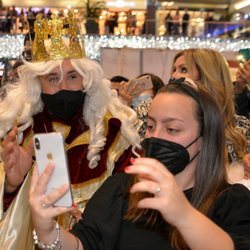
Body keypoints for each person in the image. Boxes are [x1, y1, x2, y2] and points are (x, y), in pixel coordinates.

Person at [29, 79, 250, 250]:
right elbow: (84, 244)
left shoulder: (231, 202)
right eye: (151, 126)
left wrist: (183, 215)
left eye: (172, 129)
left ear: (205, 137)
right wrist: (47, 230)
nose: (156, 136)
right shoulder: (120, 189)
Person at [0, 12, 140, 249]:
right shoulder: (18, 131)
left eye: (73, 76)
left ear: (86, 79)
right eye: (52, 78)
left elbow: (134, 210)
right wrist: (13, 185)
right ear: (37, 83)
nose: (64, 86)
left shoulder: (116, 132)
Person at [171, 48, 250, 185]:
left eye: (183, 70)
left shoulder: (240, 127)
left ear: (207, 77)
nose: (174, 76)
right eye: (174, 69)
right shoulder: (160, 120)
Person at [118, 73, 164, 137]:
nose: (137, 93)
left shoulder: (154, 119)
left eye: (142, 89)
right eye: (136, 89)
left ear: (155, 95)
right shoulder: (127, 110)